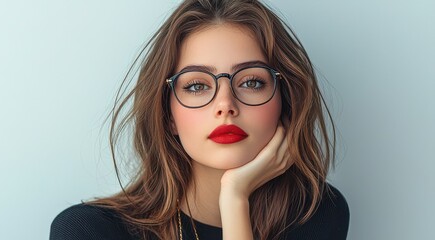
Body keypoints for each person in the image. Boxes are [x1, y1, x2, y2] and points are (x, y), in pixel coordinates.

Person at [50, 0, 349, 239]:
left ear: (285, 101)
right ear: (168, 116)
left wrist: (234, 199)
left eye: (251, 82)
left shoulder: (316, 215)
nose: (225, 105)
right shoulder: (87, 231)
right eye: (196, 86)